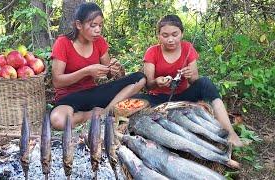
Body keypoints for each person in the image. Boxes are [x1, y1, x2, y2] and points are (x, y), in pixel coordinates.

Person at [137, 14, 243, 147]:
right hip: (159, 100)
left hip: (184, 98)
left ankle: (230, 133)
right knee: (135, 98)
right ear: (158, 36)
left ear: (182, 33)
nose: (170, 39)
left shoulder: (187, 48)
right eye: (165, 35)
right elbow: (148, 86)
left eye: (175, 34)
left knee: (205, 82)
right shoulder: (152, 52)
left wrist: (189, 74)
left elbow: (195, 81)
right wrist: (157, 81)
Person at [50, 2, 146, 130]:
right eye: (93, 25)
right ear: (79, 25)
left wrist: (115, 69)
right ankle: (89, 115)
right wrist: (86, 72)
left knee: (140, 78)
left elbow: (109, 73)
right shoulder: (63, 43)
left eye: (100, 25)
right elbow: (57, 82)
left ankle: (106, 112)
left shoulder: (99, 42)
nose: (98, 30)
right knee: (59, 121)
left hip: (94, 94)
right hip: (69, 98)